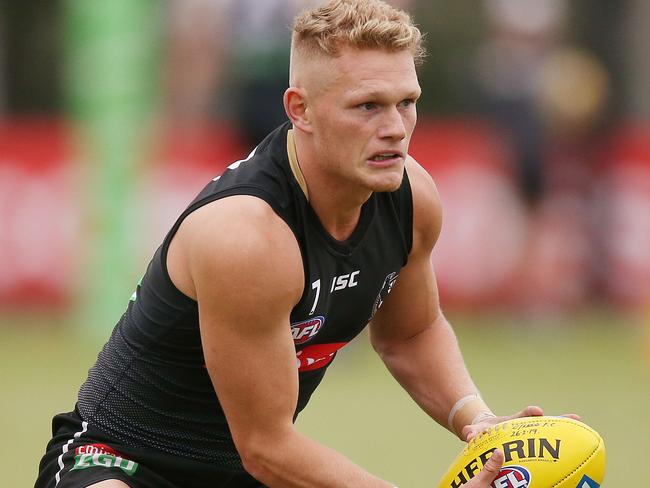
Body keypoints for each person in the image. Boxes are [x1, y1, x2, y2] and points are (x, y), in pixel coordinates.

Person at [35, 1, 563, 486]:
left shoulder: (411, 197)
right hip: (122, 462)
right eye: (367, 107)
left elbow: (411, 333)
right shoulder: (248, 235)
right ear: (300, 109)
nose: (395, 129)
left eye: (407, 103)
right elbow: (266, 447)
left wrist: (480, 422)